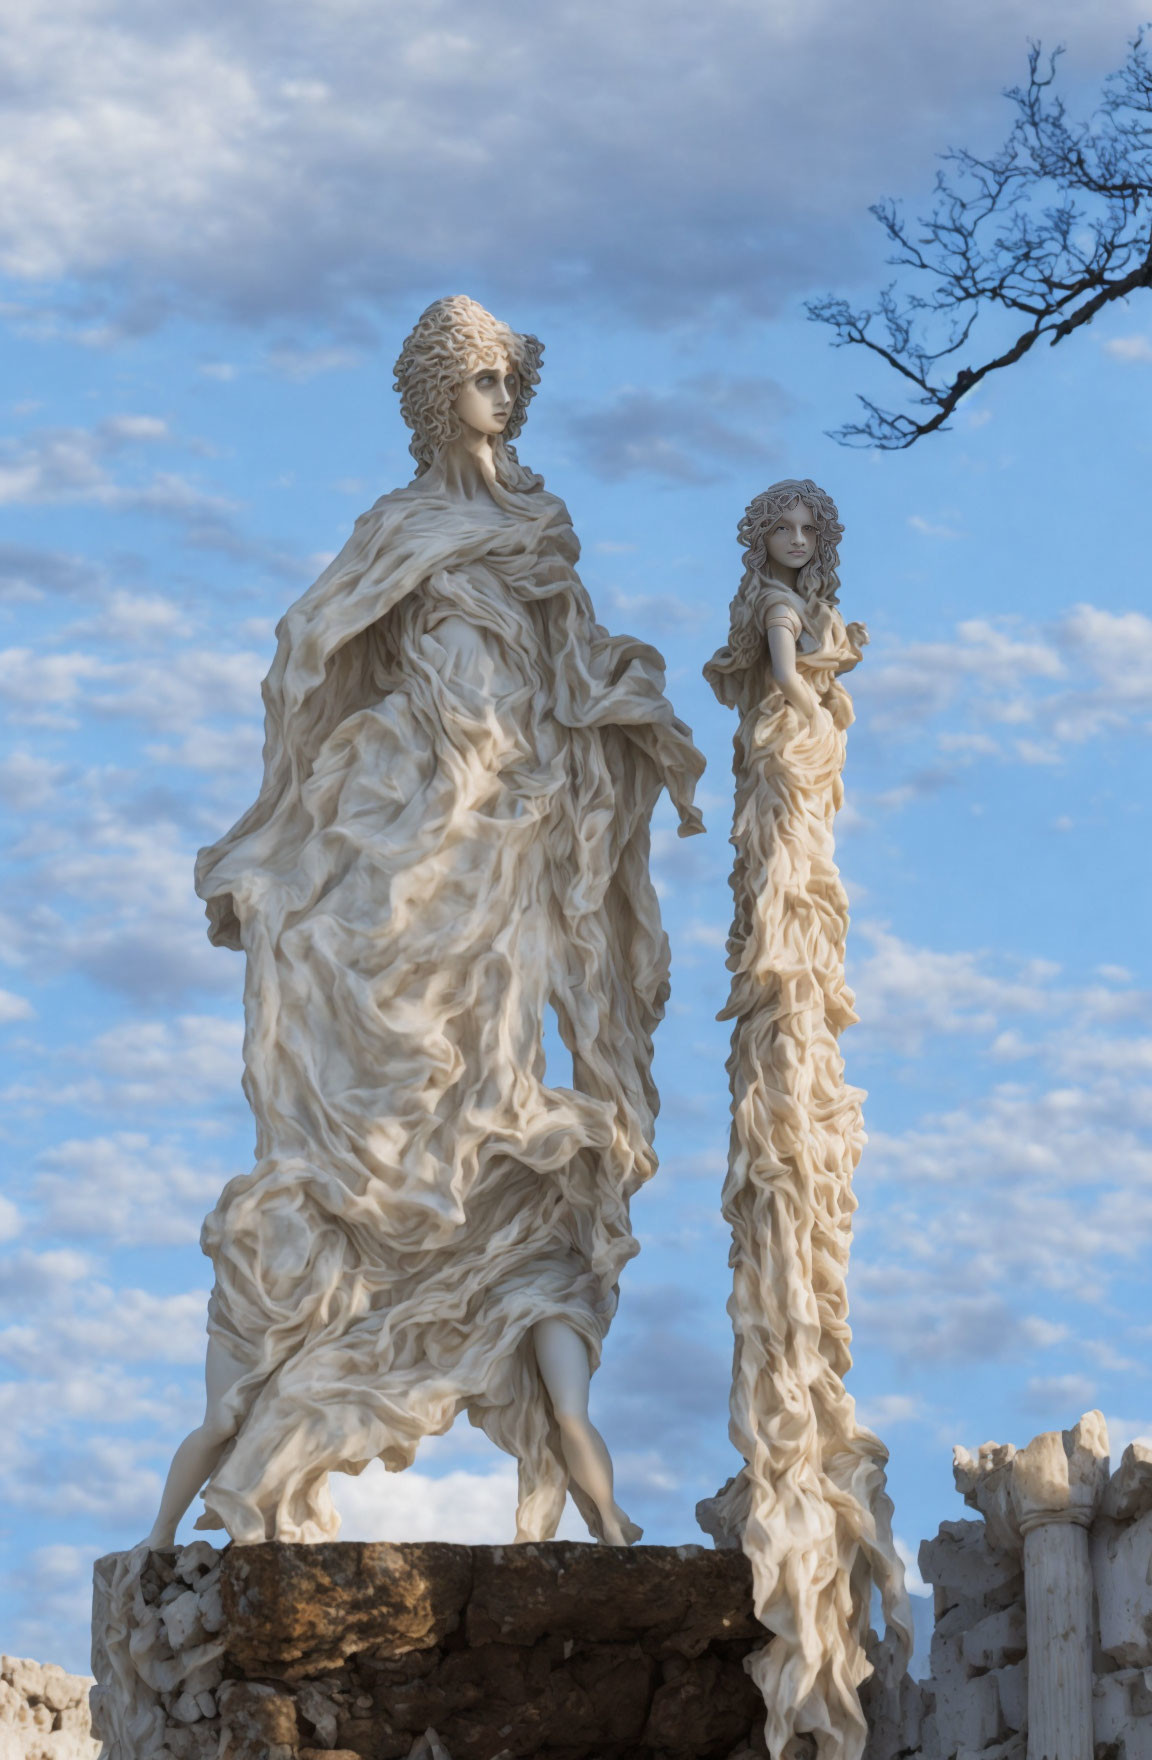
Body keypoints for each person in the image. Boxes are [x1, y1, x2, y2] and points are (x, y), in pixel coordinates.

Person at [145, 295, 704, 1550]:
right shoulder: (399, 529)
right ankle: (360, 1268)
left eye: (513, 380)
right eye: (483, 380)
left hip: (508, 818)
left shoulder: (540, 530)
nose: (503, 400)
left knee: (491, 1064)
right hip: (408, 802)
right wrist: (285, 810)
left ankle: (471, 1251)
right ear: (436, 391)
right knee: (385, 1043)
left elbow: (577, 670)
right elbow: (308, 644)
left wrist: (638, 723)